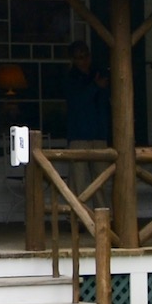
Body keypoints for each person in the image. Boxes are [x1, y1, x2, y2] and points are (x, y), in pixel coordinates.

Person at [61, 40, 110, 191]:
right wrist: (95, 86)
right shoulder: (71, 79)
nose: (84, 60)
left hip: (99, 135)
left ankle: (103, 214)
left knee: (101, 182)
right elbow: (77, 102)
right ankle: (76, 214)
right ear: (74, 60)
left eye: (86, 55)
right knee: (78, 183)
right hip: (79, 136)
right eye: (80, 57)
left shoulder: (98, 74)